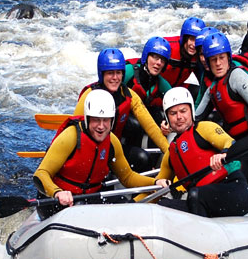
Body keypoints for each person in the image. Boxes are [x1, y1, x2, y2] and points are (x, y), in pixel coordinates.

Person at [33, 89, 157, 219]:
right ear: (87, 119)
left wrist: (155, 183)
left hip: (89, 198)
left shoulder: (112, 142)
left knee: (122, 205)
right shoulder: (71, 137)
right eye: (96, 120)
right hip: (57, 202)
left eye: (106, 120)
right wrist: (57, 193)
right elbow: (40, 174)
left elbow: (127, 177)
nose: (101, 126)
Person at [151, 87, 248, 217]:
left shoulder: (204, 128)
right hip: (201, 199)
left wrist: (224, 154)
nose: (179, 117)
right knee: (163, 205)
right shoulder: (171, 154)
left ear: (191, 111)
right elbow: (160, 180)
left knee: (195, 194)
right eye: (173, 113)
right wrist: (157, 183)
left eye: (183, 111)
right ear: (167, 118)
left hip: (233, 189)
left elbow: (229, 142)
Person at [197, 32, 248, 182]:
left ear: (228, 58)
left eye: (221, 58)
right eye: (213, 60)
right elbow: (196, 118)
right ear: (208, 63)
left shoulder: (237, 76)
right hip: (239, 144)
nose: (218, 63)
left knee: (230, 175)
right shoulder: (213, 89)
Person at [74, 48, 169, 172]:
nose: (115, 78)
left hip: (113, 149)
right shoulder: (89, 95)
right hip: (90, 151)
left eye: (118, 73)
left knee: (143, 158)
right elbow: (74, 130)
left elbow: (150, 126)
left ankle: (138, 189)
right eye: (110, 73)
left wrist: (169, 150)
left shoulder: (129, 94)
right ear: (101, 74)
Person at [124, 36, 172, 125]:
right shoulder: (129, 71)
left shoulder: (162, 84)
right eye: (155, 57)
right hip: (123, 114)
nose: (158, 63)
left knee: (159, 118)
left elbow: (175, 104)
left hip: (141, 113)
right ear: (146, 57)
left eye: (162, 60)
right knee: (135, 125)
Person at [161, 17, 206, 97]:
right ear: (185, 38)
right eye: (192, 39)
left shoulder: (199, 55)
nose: (193, 45)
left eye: (197, 41)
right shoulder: (167, 47)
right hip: (158, 89)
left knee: (199, 90)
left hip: (177, 89)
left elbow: (203, 80)